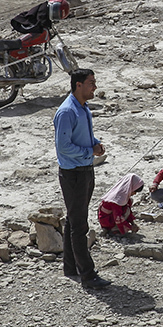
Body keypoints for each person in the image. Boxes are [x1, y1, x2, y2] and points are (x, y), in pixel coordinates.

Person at [54, 68, 111, 289]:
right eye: (91, 83)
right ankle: (88, 275)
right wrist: (90, 151)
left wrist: (94, 143)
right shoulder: (67, 111)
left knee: (73, 220)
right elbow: (63, 146)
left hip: (84, 171)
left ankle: (70, 266)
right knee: (79, 226)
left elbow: (82, 135)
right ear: (78, 85)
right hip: (74, 174)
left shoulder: (82, 108)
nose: (94, 86)